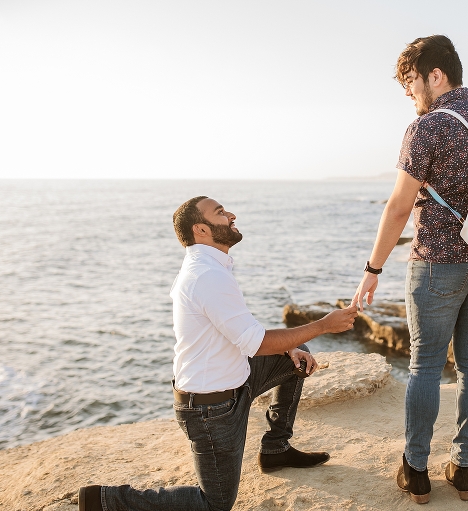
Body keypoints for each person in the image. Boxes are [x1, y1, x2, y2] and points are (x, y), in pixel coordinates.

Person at [78, 196, 358, 511]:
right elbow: (259, 343)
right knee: (215, 504)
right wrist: (324, 324)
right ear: (201, 229)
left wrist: (291, 343)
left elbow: (242, 331)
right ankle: (104, 500)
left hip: (238, 380)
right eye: (221, 213)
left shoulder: (211, 267)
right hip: (211, 409)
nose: (231, 215)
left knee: (296, 353)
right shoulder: (206, 275)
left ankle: (276, 448)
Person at [352, 35, 468, 504]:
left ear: (435, 75)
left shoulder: (425, 128)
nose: (410, 94)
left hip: (439, 264)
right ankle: (464, 469)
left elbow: (401, 205)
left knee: (425, 366)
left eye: (411, 83)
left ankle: (417, 470)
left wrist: (373, 267)